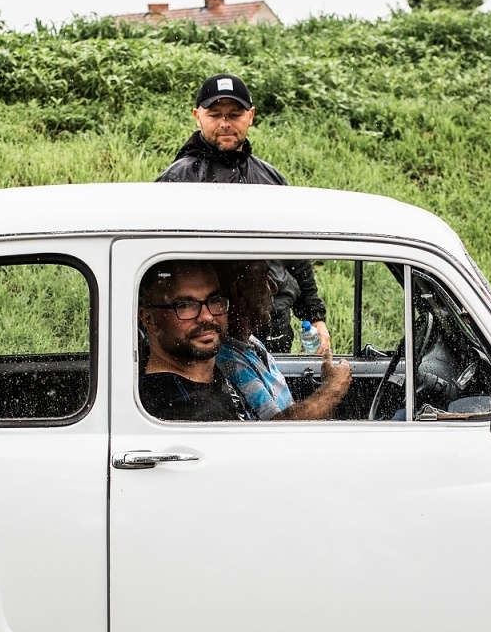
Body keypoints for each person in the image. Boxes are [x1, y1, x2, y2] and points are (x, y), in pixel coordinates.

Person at [156, 73, 329, 353]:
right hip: (207, 326)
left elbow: (296, 253)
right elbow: (158, 263)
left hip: (272, 320)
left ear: (250, 116)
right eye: (215, 114)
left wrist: (314, 317)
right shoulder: (178, 180)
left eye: (235, 114)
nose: (225, 123)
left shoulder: (271, 179)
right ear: (197, 115)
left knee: (273, 395)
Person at [214, 260, 350, 420]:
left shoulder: (251, 342)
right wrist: (333, 387)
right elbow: (277, 427)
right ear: (240, 292)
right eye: (264, 277)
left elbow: (284, 409)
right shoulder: (231, 363)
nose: (274, 287)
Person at [138, 261, 251, 422]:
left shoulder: (206, 374)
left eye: (215, 300)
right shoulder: (180, 413)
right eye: (185, 305)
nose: (206, 316)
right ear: (148, 319)